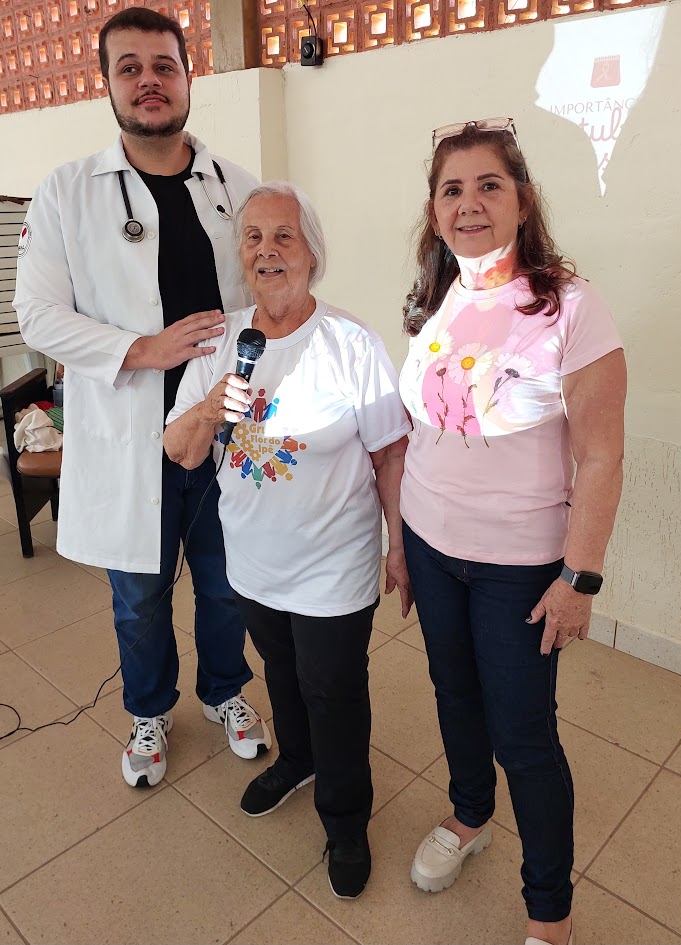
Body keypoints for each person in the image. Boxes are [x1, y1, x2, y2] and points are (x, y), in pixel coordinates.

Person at [13, 8, 269, 789]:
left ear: (189, 78)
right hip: (132, 439)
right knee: (140, 598)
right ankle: (149, 710)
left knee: (228, 587)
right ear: (108, 83)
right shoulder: (66, 193)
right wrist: (141, 348)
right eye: (129, 67)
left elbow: (269, 296)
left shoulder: (238, 188)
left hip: (225, 433)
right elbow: (37, 314)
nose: (148, 81)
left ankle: (224, 691)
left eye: (163, 65)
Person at [398, 120, 626, 945]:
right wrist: (399, 543)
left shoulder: (568, 305)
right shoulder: (435, 296)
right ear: (434, 210)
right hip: (428, 542)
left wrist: (579, 578)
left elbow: (601, 456)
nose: (469, 203)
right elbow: (418, 429)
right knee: (453, 694)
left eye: (488, 185)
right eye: (451, 189)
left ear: (522, 202)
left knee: (524, 736)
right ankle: (468, 816)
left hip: (518, 567)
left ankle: (547, 912)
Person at [165, 181, 412, 899]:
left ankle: (346, 817)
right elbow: (179, 449)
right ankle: (297, 759)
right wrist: (210, 409)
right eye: (254, 237)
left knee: (333, 688)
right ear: (240, 255)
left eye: (284, 236)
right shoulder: (221, 343)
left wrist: (399, 546)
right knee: (279, 667)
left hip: (334, 561)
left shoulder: (351, 343)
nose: (267, 251)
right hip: (252, 559)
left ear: (311, 253)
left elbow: (390, 454)